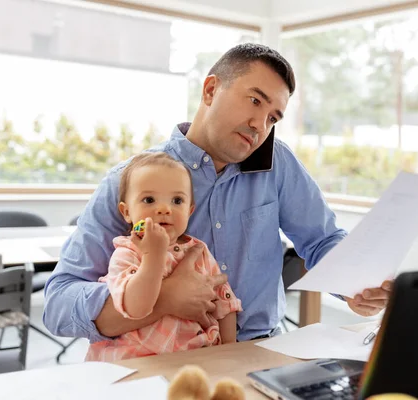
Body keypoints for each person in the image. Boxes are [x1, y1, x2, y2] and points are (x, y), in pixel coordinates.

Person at [43, 43, 392, 344]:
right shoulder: (133, 183)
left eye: (273, 117)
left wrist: (356, 284)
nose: (260, 125)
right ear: (210, 90)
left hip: (260, 350)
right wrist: (162, 298)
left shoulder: (277, 163)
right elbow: (59, 305)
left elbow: (322, 240)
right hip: (163, 357)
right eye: (255, 101)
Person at [85, 153, 241, 361]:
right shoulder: (128, 252)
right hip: (134, 360)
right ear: (127, 212)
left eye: (177, 201)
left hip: (194, 356)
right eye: (149, 200)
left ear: (190, 211)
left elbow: (224, 301)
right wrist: (154, 256)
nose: (164, 209)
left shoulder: (198, 251)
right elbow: (136, 307)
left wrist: (229, 349)